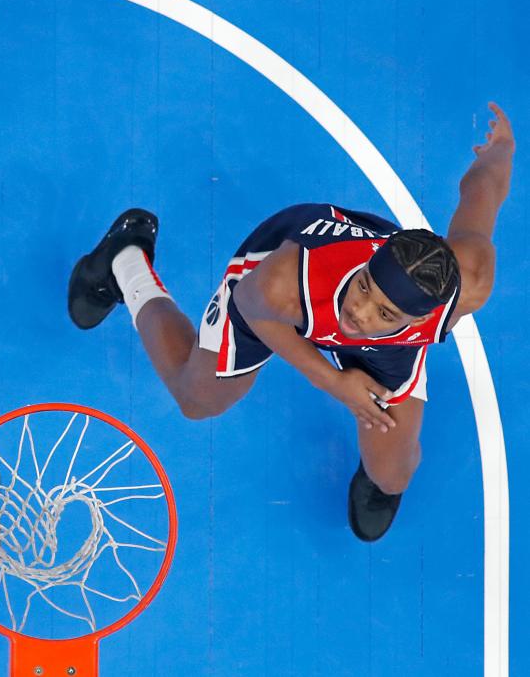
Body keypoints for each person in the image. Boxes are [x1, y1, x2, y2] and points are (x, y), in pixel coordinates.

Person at [67, 103, 514, 541]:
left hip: (384, 347)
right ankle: (125, 262)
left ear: (425, 316)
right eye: (364, 288)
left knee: (392, 473)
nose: (359, 313)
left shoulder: (466, 286)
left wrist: (502, 148)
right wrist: (334, 382)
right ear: (367, 265)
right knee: (196, 399)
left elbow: (483, 191)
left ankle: (378, 476)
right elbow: (252, 307)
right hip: (284, 295)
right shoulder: (284, 280)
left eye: (384, 313)